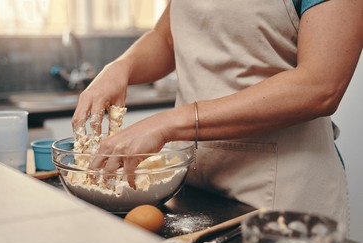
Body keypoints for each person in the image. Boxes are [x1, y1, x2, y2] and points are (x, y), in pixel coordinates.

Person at [72, 0, 363, 228]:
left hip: (281, 194)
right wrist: (122, 66)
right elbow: (167, 38)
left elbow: (320, 86)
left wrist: (169, 123)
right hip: (193, 187)